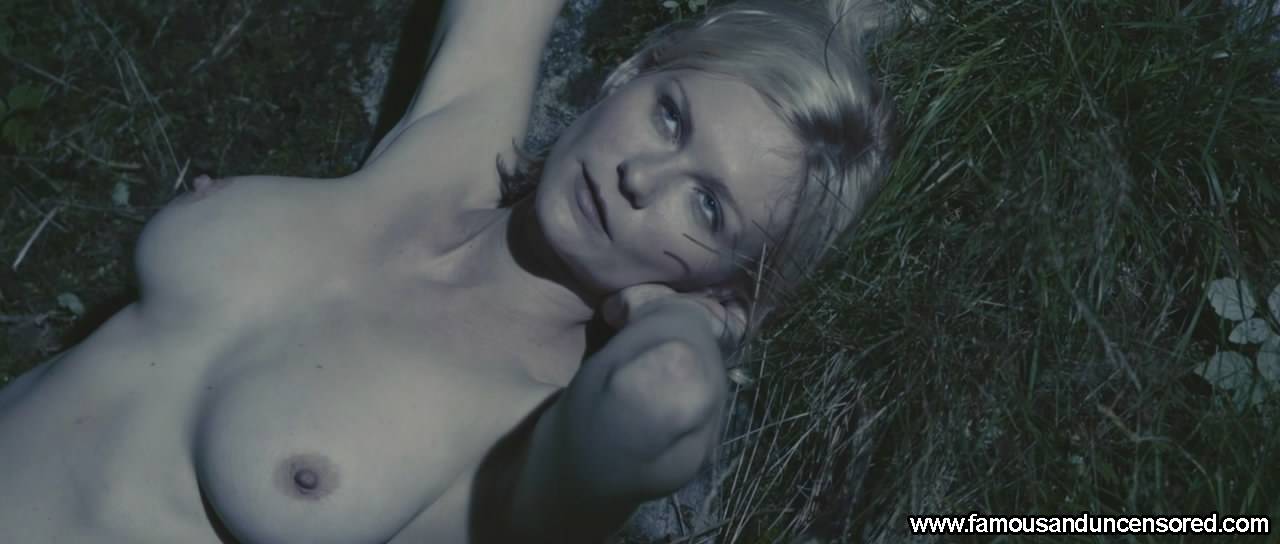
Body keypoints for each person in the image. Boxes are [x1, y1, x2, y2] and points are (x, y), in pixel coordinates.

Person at [0, 0, 894, 541]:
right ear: (631, 72)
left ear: (729, 291)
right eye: (669, 117)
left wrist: (690, 324)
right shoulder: (449, 151)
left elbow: (663, 396)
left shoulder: (525, 436)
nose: (641, 178)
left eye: (706, 207)